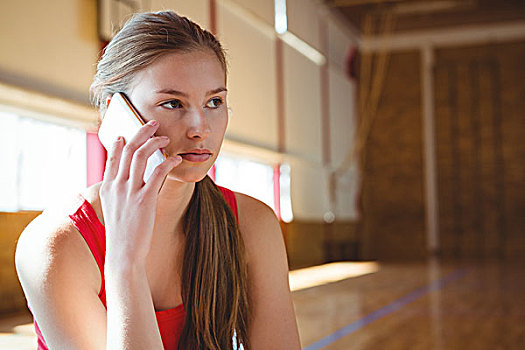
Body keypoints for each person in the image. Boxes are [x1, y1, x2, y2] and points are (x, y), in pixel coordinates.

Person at [15, 11, 301, 350]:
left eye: (214, 102)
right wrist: (125, 264)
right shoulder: (56, 245)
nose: (200, 128)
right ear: (116, 113)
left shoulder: (252, 224)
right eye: (172, 103)